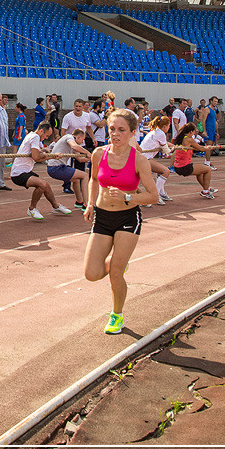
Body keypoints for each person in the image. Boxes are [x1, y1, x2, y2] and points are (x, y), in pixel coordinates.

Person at [83, 108, 162, 335]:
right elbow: (92, 181)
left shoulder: (138, 160)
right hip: (102, 216)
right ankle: (119, 262)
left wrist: (129, 196)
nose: (115, 134)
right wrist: (90, 204)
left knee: (116, 273)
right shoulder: (98, 153)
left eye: (121, 130)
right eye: (111, 129)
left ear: (132, 133)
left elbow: (153, 196)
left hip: (128, 218)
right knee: (92, 274)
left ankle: (117, 315)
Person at [11, 122, 73, 220]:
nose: (46, 138)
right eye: (46, 135)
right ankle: (32, 209)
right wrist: (52, 156)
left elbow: (37, 153)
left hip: (26, 171)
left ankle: (55, 207)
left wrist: (45, 151)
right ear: (41, 131)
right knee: (42, 184)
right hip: (18, 173)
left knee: (46, 186)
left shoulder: (33, 136)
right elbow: (36, 157)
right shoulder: (35, 137)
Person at [48, 127, 92, 208]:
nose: (83, 142)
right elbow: (75, 147)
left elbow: (80, 159)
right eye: (83, 139)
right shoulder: (69, 137)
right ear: (78, 137)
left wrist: (91, 157)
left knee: (76, 180)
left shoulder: (72, 144)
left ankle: (79, 201)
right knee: (85, 175)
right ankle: (87, 204)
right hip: (56, 168)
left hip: (56, 168)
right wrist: (87, 152)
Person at [137, 115, 173, 204]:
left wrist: (172, 145)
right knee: (166, 171)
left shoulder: (155, 131)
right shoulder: (161, 133)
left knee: (161, 171)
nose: (169, 127)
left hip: (142, 157)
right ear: (164, 126)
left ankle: (162, 193)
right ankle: (155, 195)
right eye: (168, 126)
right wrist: (173, 149)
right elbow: (166, 151)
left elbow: (164, 143)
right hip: (144, 159)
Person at [172, 123, 215, 198]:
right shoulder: (189, 140)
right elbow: (200, 148)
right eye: (194, 131)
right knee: (208, 169)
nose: (195, 133)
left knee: (200, 172)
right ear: (191, 132)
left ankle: (206, 188)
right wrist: (208, 148)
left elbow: (196, 148)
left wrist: (205, 147)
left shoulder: (181, 138)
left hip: (177, 166)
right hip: (184, 167)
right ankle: (205, 191)